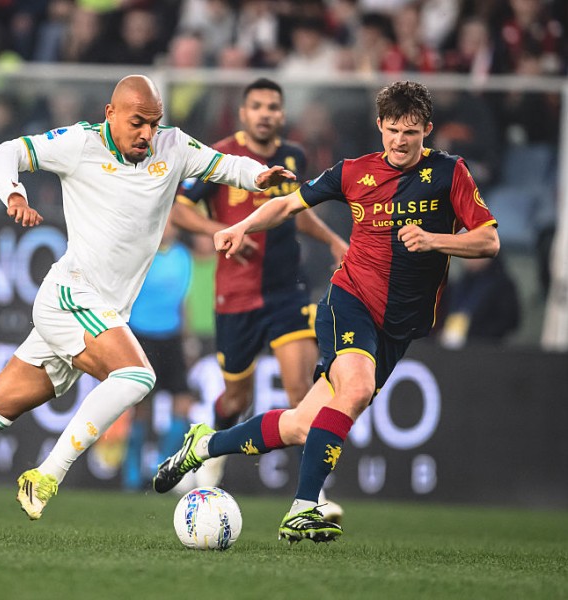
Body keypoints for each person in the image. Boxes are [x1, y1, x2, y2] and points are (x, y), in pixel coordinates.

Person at [0, 74, 295, 532]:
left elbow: (224, 165)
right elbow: (0, 154)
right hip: (71, 295)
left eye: (154, 123)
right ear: (111, 113)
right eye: (137, 122)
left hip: (102, 313)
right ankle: (46, 475)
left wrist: (259, 176)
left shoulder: (172, 146)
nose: (147, 133)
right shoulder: (79, 143)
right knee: (137, 376)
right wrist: (14, 193)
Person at [153, 80, 499, 544]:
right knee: (355, 388)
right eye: (393, 130)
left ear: (427, 130)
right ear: (380, 126)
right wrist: (241, 227)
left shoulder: (450, 173)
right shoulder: (354, 171)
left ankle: (204, 444)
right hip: (349, 301)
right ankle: (303, 508)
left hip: (399, 326)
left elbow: (488, 240)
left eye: (411, 132)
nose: (400, 141)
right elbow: (288, 205)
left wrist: (435, 240)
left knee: (301, 425)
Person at [169, 78, 348, 519]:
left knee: (301, 392)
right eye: (257, 106)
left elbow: (296, 212)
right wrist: (223, 230)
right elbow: (179, 210)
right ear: (243, 113)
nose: (266, 113)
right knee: (236, 399)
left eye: (273, 106)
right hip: (236, 297)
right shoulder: (220, 157)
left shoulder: (294, 157)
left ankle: (313, 497)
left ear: (282, 114)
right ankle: (206, 452)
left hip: (287, 293)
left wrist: (331, 240)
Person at [123, 220, 195, 491]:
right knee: (142, 404)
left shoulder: (183, 257)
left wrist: (188, 340)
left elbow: (184, 301)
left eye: (173, 224)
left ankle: (162, 468)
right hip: (141, 334)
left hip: (171, 336)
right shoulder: (142, 252)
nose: (168, 228)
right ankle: (131, 473)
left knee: (183, 401)